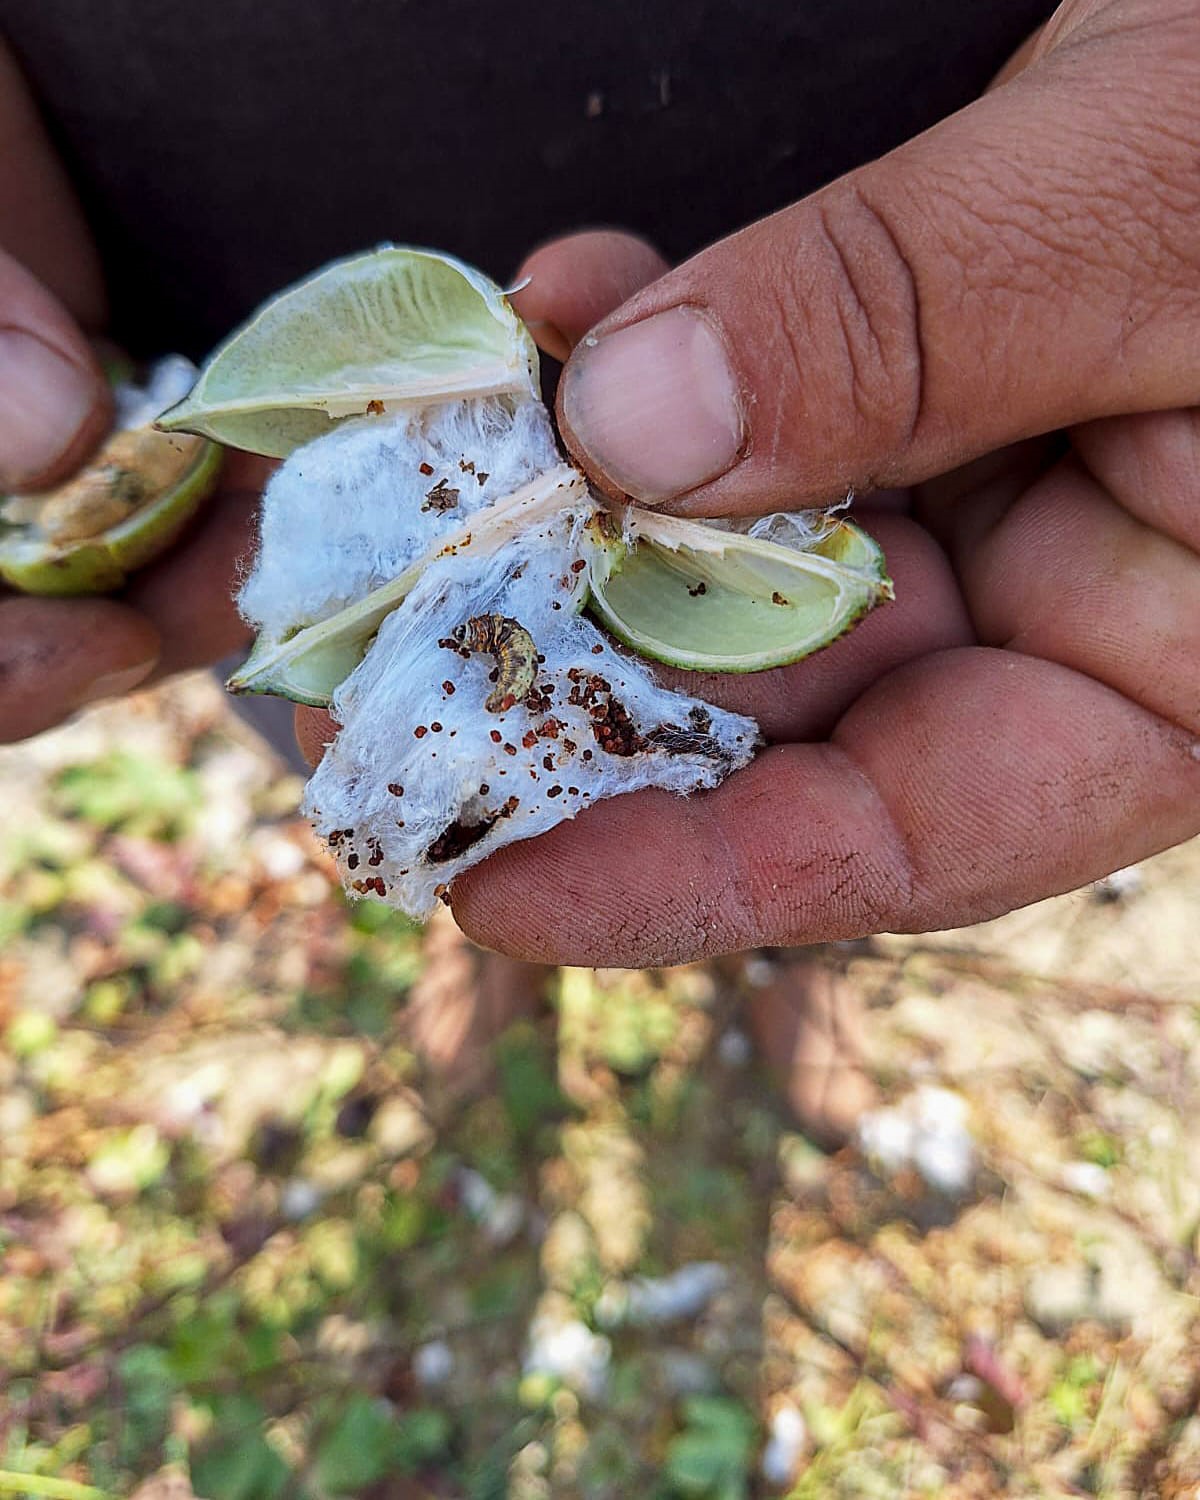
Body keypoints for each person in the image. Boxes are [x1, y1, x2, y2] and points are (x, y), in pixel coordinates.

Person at [1, 1, 1197, 1131]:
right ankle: (489, 951)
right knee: (381, 741)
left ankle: (777, 963)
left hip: (925, 180)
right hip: (199, 233)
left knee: (798, 793)